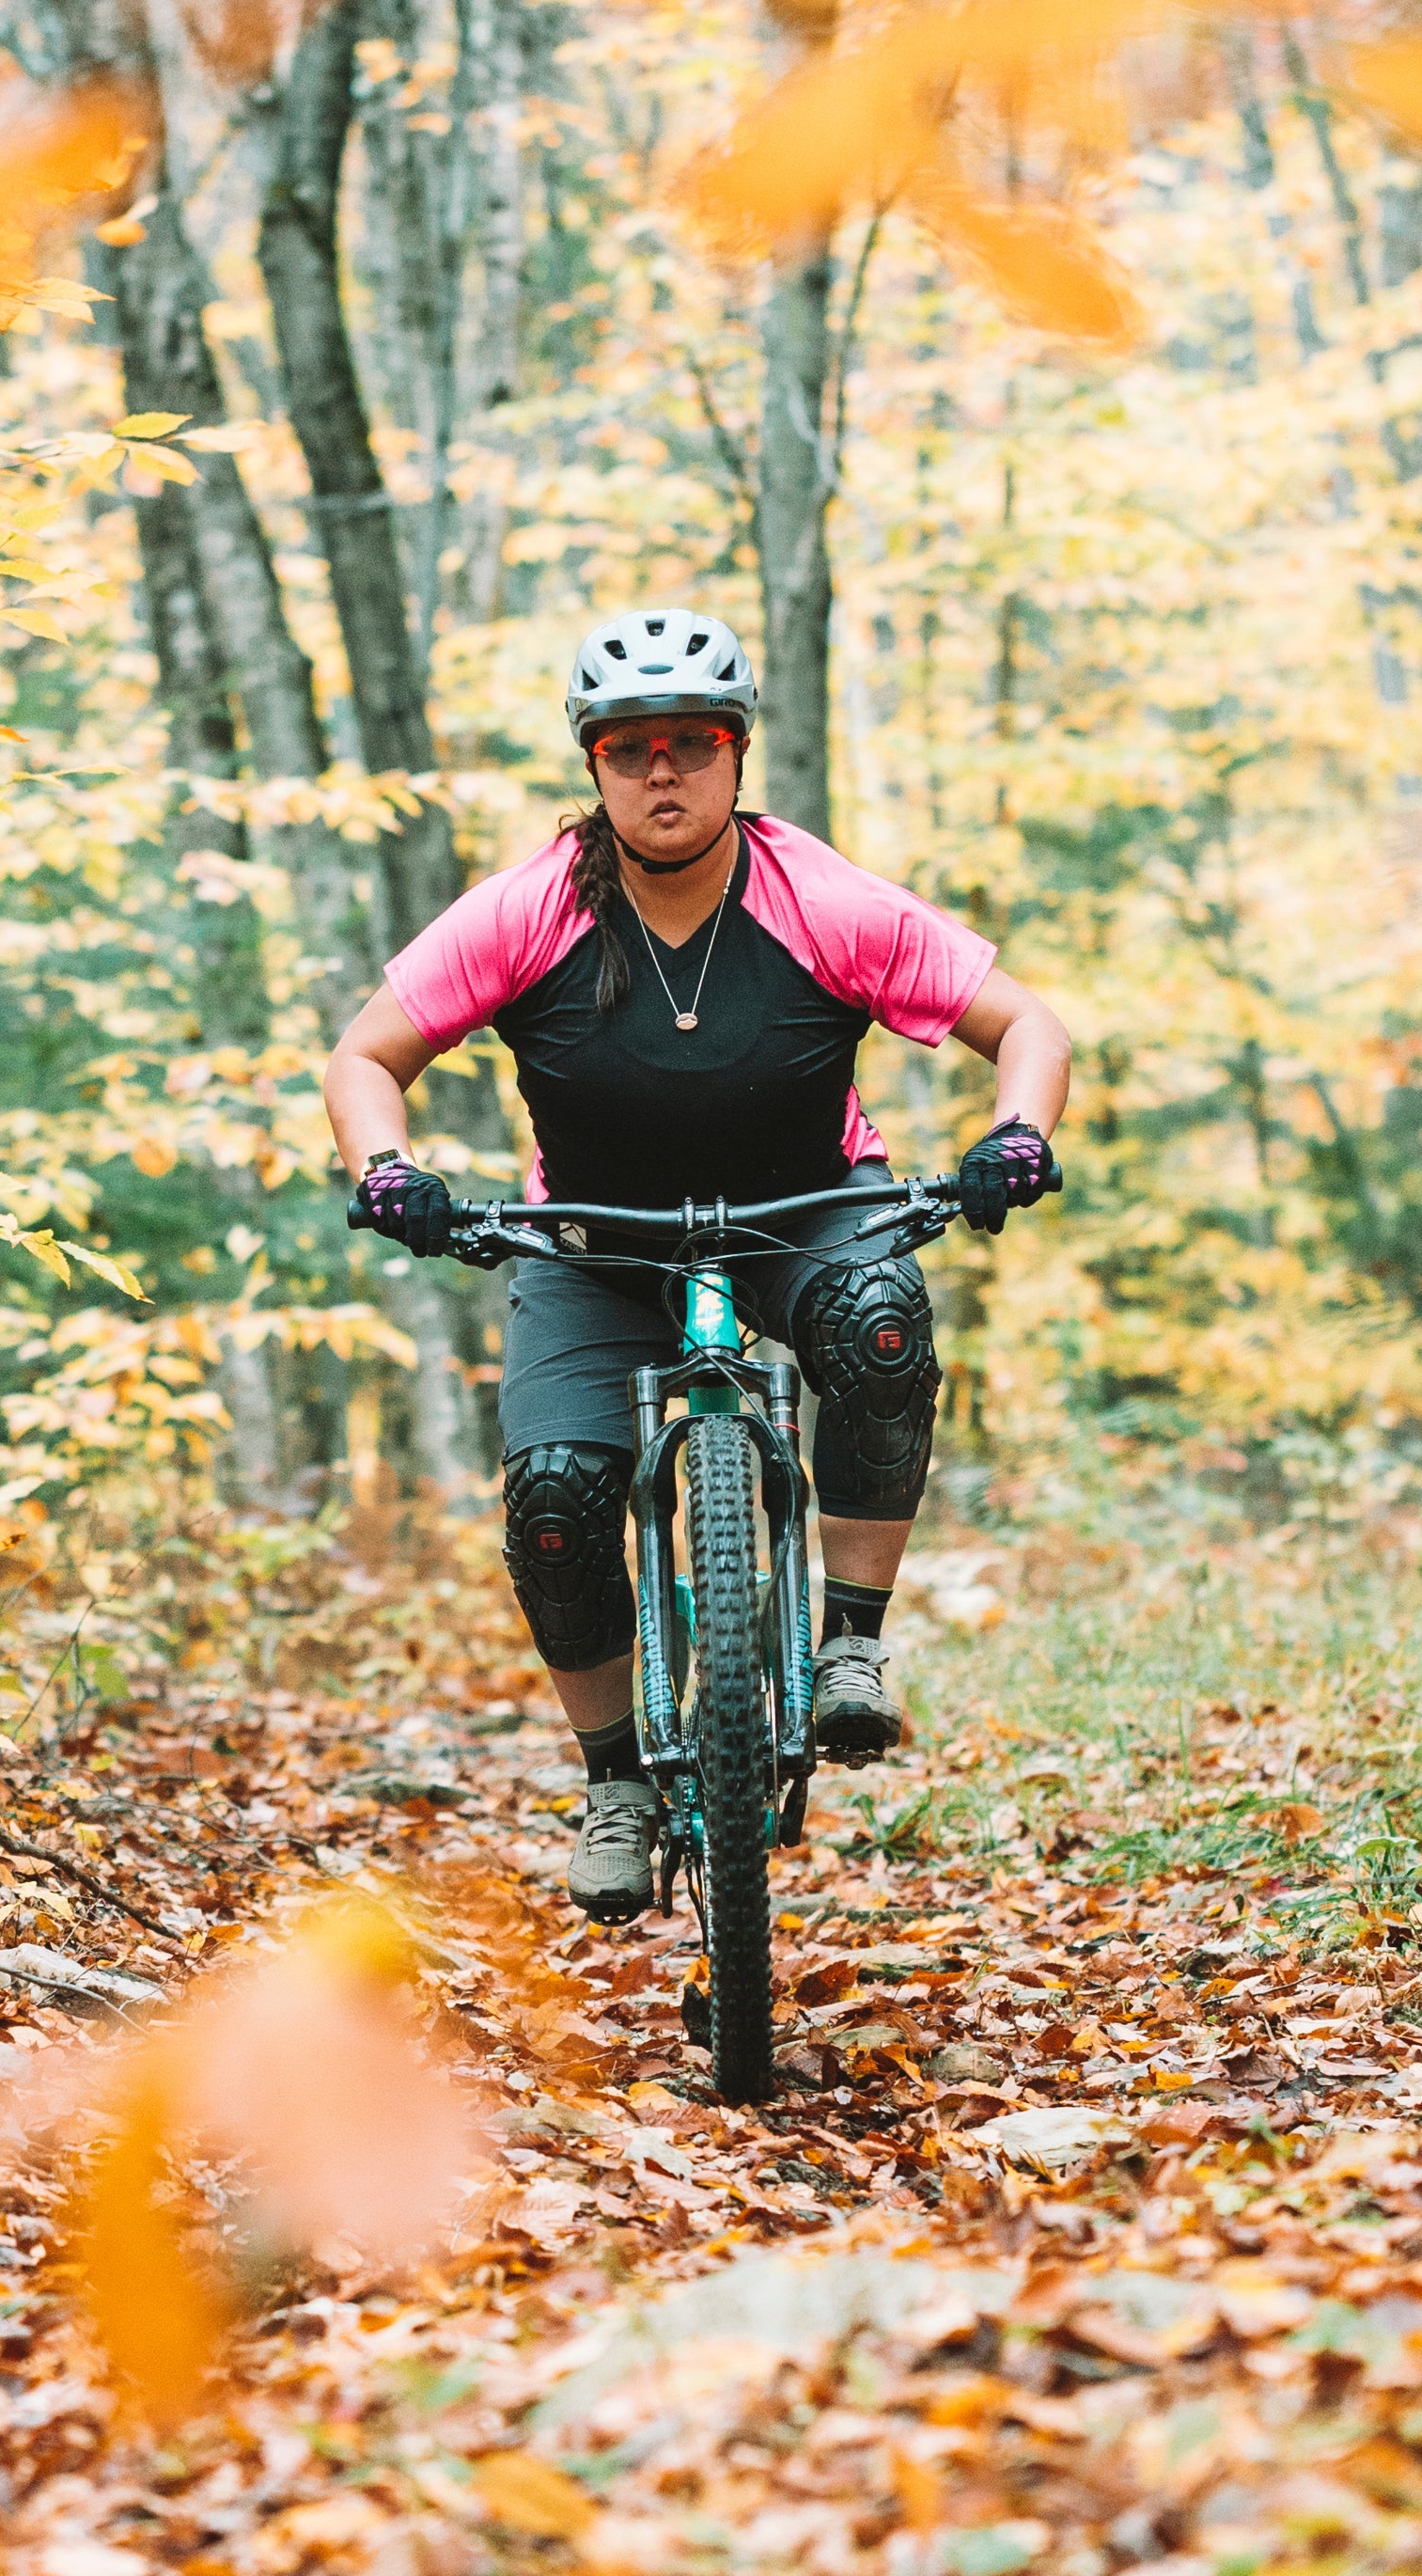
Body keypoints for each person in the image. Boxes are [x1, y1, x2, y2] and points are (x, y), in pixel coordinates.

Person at [322, 601, 1073, 1919]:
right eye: (629, 749)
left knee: (880, 1324)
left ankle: (847, 1642)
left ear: (733, 755)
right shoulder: (531, 908)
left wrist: (1014, 1137)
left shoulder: (820, 898)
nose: (659, 770)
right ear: (594, 765)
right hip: (591, 1240)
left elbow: (1027, 1026)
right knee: (554, 1500)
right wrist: (385, 1170)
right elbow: (364, 1056)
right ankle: (614, 1776)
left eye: (689, 742)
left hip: (803, 1207)